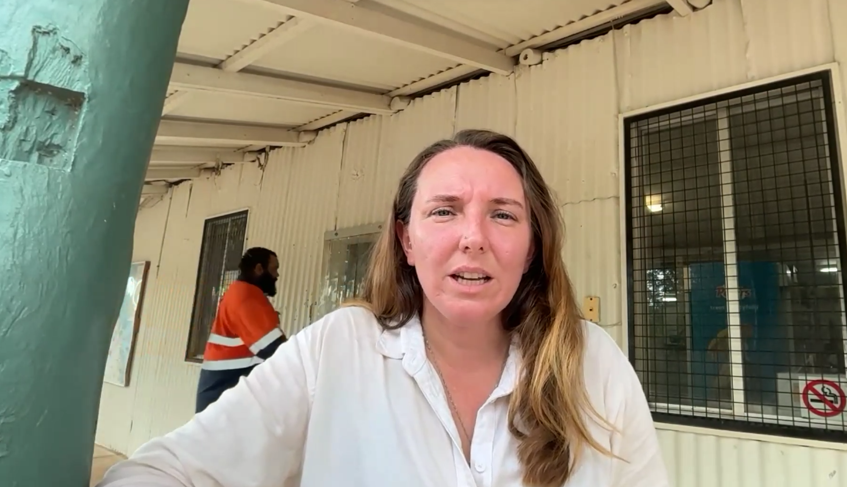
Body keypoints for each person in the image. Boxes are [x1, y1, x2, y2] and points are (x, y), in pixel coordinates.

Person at [101, 130, 667, 487]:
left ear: (533, 246)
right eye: (444, 211)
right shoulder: (340, 347)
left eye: (503, 214)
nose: (473, 237)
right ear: (406, 240)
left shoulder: (595, 361)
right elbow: (165, 471)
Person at [194, 247, 286, 413]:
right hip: (222, 401)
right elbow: (275, 350)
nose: (277, 275)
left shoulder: (239, 292)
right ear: (259, 269)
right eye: (274, 269)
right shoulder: (246, 296)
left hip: (220, 397)